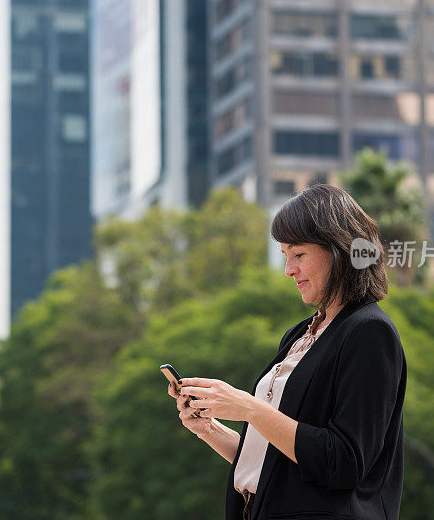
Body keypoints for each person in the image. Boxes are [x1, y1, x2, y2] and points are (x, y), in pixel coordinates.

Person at [168, 184, 406, 520]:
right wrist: (211, 429)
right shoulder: (300, 334)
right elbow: (276, 464)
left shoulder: (369, 332)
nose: (288, 270)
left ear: (340, 250)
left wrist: (249, 408)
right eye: (285, 256)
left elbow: (344, 463)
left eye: (299, 255)